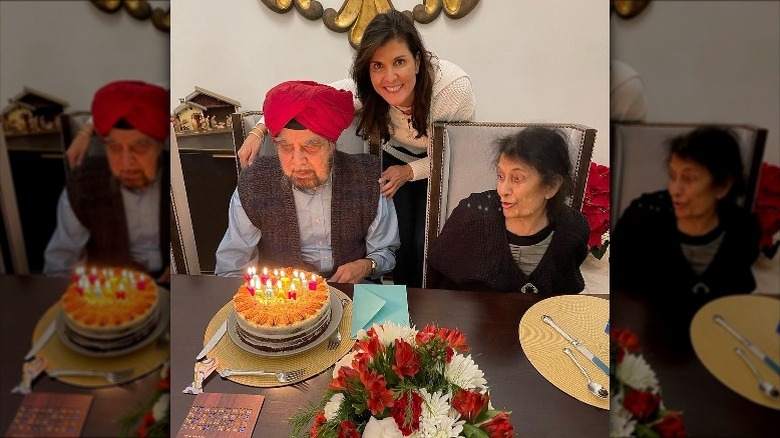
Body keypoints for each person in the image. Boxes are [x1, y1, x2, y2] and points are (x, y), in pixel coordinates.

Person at [236, 10, 475, 287]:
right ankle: (402, 297)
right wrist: (260, 130)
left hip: (440, 162)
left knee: (427, 242)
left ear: (418, 61)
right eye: (378, 66)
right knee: (403, 240)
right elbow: (303, 102)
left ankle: (422, 303)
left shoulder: (453, 91)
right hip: (393, 157)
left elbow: (456, 153)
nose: (389, 77)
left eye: (399, 62)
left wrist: (409, 172)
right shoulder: (364, 90)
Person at [215, 80, 400, 283]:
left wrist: (367, 266)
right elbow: (232, 266)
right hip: (282, 300)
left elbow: (385, 254)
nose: (298, 161)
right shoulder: (254, 184)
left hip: (354, 292)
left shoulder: (368, 179)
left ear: (332, 144)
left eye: (311, 146)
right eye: (285, 147)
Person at [426, 128, 589, 294]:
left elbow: (566, 296)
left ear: (551, 186)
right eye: (501, 176)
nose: (503, 190)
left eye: (517, 179)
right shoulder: (472, 217)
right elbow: (435, 276)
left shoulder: (574, 229)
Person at [612, 127, 760, 303]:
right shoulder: (642, 217)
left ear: (722, 186)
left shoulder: (743, 228)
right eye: (673, 176)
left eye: (689, 179)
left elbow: (737, 299)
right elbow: (619, 288)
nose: (675, 190)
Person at [44, 80, 170, 283]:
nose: (127, 161)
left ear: (159, 145)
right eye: (115, 148)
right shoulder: (83, 187)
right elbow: (60, 266)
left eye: (140, 147)